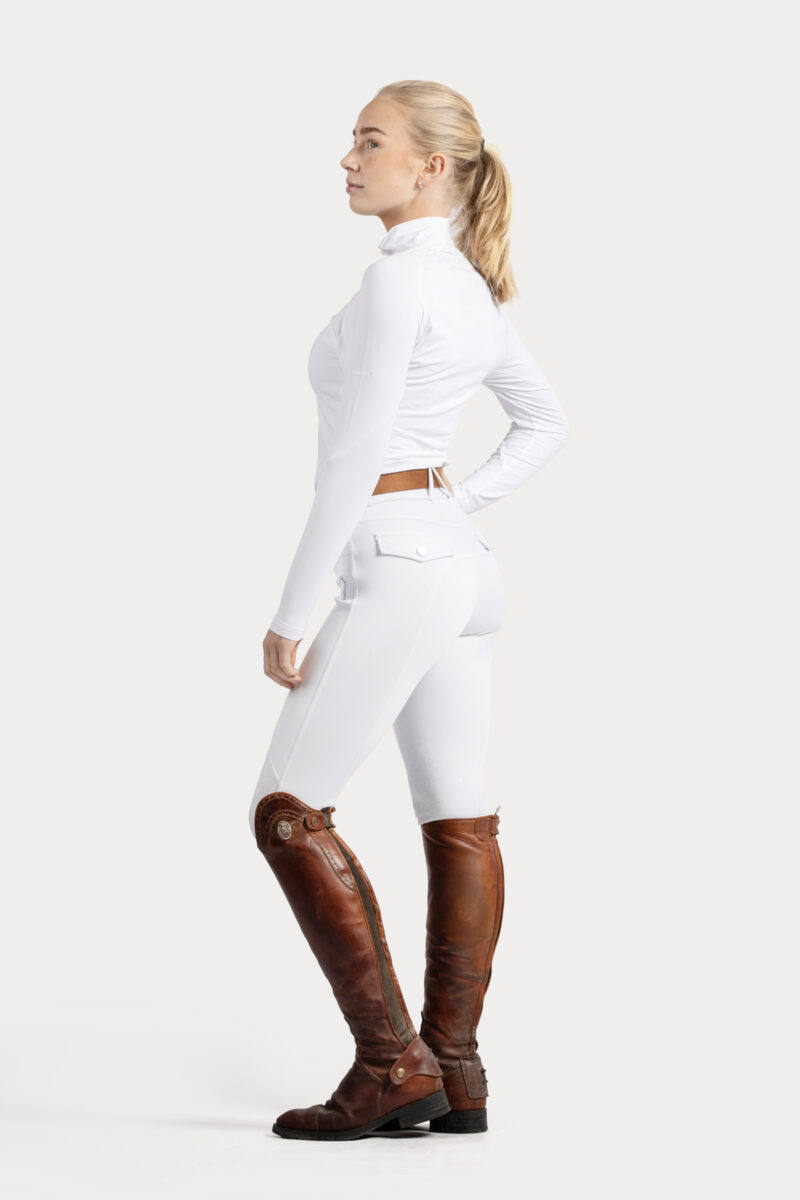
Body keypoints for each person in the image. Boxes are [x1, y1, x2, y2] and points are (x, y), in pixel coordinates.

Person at [248, 79, 570, 1142]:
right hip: (453, 564)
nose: (347, 159)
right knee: (458, 813)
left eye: (369, 140)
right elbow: (544, 423)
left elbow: (354, 458)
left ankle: (393, 1064)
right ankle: (457, 1070)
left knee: (286, 810)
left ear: (431, 164)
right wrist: (450, 508)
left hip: (397, 558)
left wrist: (292, 610)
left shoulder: (400, 284)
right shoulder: (465, 285)